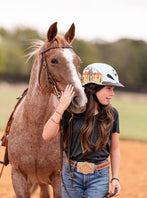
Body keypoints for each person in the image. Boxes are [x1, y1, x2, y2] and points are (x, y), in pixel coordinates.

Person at [42, 63, 124, 198]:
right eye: (108, 88)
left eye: (113, 89)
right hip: (71, 175)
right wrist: (61, 107)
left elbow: (114, 149)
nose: (112, 94)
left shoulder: (112, 114)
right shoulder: (71, 111)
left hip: (99, 177)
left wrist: (115, 178)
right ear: (92, 88)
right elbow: (46, 135)